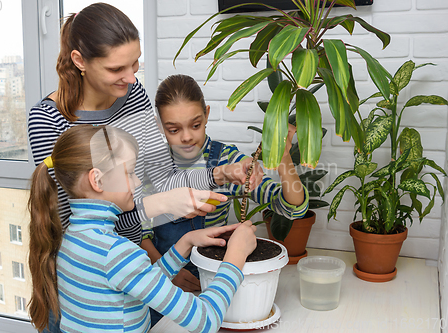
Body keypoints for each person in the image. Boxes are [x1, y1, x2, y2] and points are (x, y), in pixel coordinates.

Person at [27, 2, 263, 248]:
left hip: (133, 257)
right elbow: (73, 226)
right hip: (91, 268)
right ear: (79, 61)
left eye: (135, 63)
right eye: (116, 68)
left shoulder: (133, 95)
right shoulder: (48, 120)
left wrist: (221, 174)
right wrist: (160, 205)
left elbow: (162, 181)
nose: (131, 78)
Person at [28, 124, 258, 333]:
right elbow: (204, 320)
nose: (137, 182)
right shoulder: (115, 252)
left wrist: (185, 242)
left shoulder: (72, 238)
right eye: (129, 173)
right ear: (97, 181)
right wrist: (235, 257)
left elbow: (138, 282)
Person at [141, 75, 309, 322]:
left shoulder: (226, 161)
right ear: (159, 125)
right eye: (174, 129)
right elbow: (140, 232)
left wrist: (283, 157)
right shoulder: (151, 166)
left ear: (207, 115)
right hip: (162, 283)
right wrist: (170, 274)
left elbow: (292, 207)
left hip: (215, 285)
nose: (186, 137)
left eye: (195, 125)